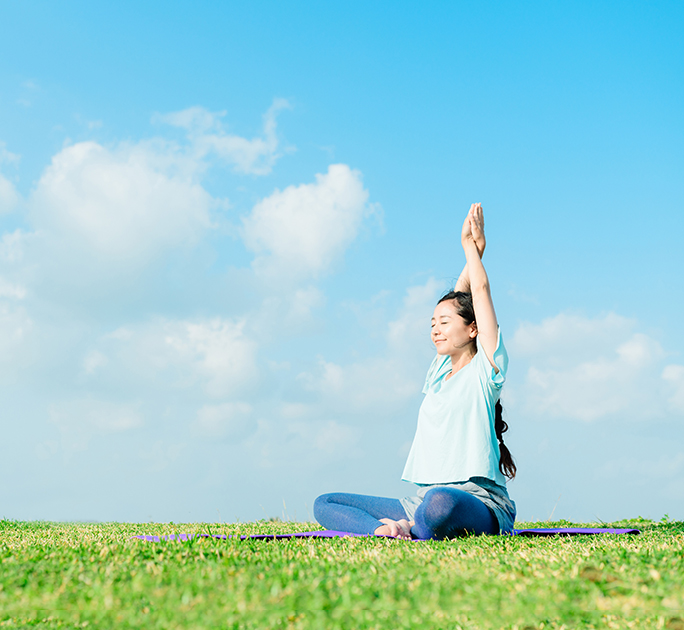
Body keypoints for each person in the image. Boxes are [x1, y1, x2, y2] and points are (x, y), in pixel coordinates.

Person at [313, 203, 516, 540]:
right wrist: (472, 258)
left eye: (445, 322)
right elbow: (461, 297)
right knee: (327, 503)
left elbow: (476, 294)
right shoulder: (438, 375)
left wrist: (471, 249)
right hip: (419, 501)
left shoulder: (486, 371)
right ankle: (386, 530)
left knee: (440, 504)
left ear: (473, 330)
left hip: (476, 501)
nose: (436, 329)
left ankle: (415, 525)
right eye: (433, 323)